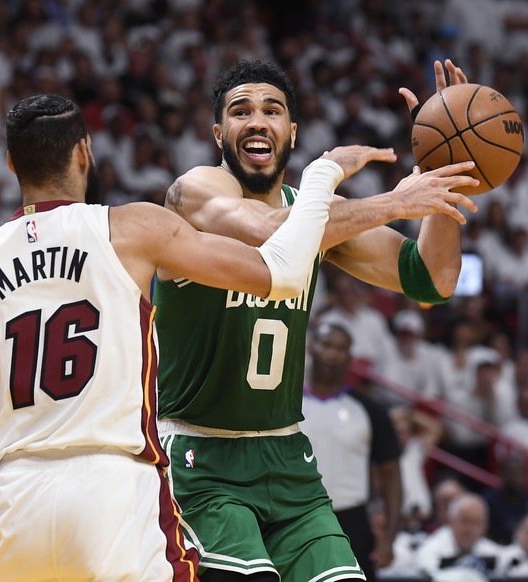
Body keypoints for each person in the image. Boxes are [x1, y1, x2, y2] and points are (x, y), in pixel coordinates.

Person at [0, 94, 474, 580]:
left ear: (10, 166)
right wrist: (318, 177)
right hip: (112, 486)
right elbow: (279, 273)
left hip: (13, 496)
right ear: (84, 154)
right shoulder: (132, 227)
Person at [154, 58, 478, 580]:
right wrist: (394, 201)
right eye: (241, 111)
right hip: (200, 457)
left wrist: (444, 173)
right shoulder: (194, 192)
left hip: (287, 457)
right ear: (219, 133)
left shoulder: (317, 214)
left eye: (272, 110)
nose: (257, 121)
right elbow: (270, 234)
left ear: (292, 131)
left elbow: (432, 279)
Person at [300, 322, 402, 582]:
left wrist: (389, 538)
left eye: (341, 348)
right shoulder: (283, 404)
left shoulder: (370, 411)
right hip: (293, 517)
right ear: (311, 347)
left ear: (350, 357)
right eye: (327, 345)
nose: (332, 354)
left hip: (351, 521)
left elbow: (391, 476)